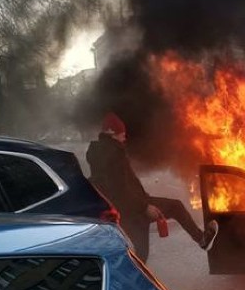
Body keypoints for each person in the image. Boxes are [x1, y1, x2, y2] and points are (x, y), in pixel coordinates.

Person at [86, 112, 217, 262]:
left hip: (131, 207)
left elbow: (121, 186)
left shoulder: (105, 151)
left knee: (142, 253)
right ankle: (202, 239)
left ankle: (202, 239)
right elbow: (120, 190)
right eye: (122, 134)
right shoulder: (112, 154)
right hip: (132, 212)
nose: (125, 138)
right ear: (112, 133)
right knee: (140, 256)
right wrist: (145, 207)